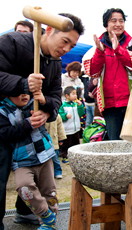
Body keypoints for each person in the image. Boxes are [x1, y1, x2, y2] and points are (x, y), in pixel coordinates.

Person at [0, 13, 84, 230]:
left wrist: (47, 112)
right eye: (65, 41)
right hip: (4, 121)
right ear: (48, 30)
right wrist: (22, 83)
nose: (66, 49)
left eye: (71, 45)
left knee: (36, 171)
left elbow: (55, 98)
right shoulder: (12, 42)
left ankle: (26, 212)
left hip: (33, 131)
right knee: (2, 172)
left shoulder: (55, 64)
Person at [83, 8, 132, 140]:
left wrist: (118, 49)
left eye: (121, 21)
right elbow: (92, 71)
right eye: (113, 20)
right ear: (106, 24)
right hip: (110, 104)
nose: (118, 24)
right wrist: (100, 53)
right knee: (115, 144)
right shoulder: (97, 47)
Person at [0, 92, 58, 230]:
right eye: (18, 93)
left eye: (26, 93)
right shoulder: (3, 110)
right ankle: (45, 214)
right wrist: (27, 124)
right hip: (21, 160)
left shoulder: (35, 103)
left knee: (49, 190)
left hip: (44, 154)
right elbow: (5, 133)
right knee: (24, 187)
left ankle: (50, 222)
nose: (24, 96)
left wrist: (46, 111)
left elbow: (54, 110)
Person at [59, 86, 85, 164]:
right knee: (66, 144)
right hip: (67, 129)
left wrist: (80, 106)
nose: (75, 96)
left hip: (76, 128)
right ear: (67, 95)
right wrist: (65, 116)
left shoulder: (75, 104)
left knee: (76, 143)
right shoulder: (63, 105)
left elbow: (81, 114)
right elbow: (59, 115)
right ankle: (65, 156)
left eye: (76, 94)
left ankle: (76, 156)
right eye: (73, 94)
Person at [45, 114, 67, 179]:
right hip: (43, 141)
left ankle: (57, 172)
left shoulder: (56, 115)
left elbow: (60, 127)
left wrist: (61, 139)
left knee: (55, 158)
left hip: (53, 140)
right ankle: (47, 173)